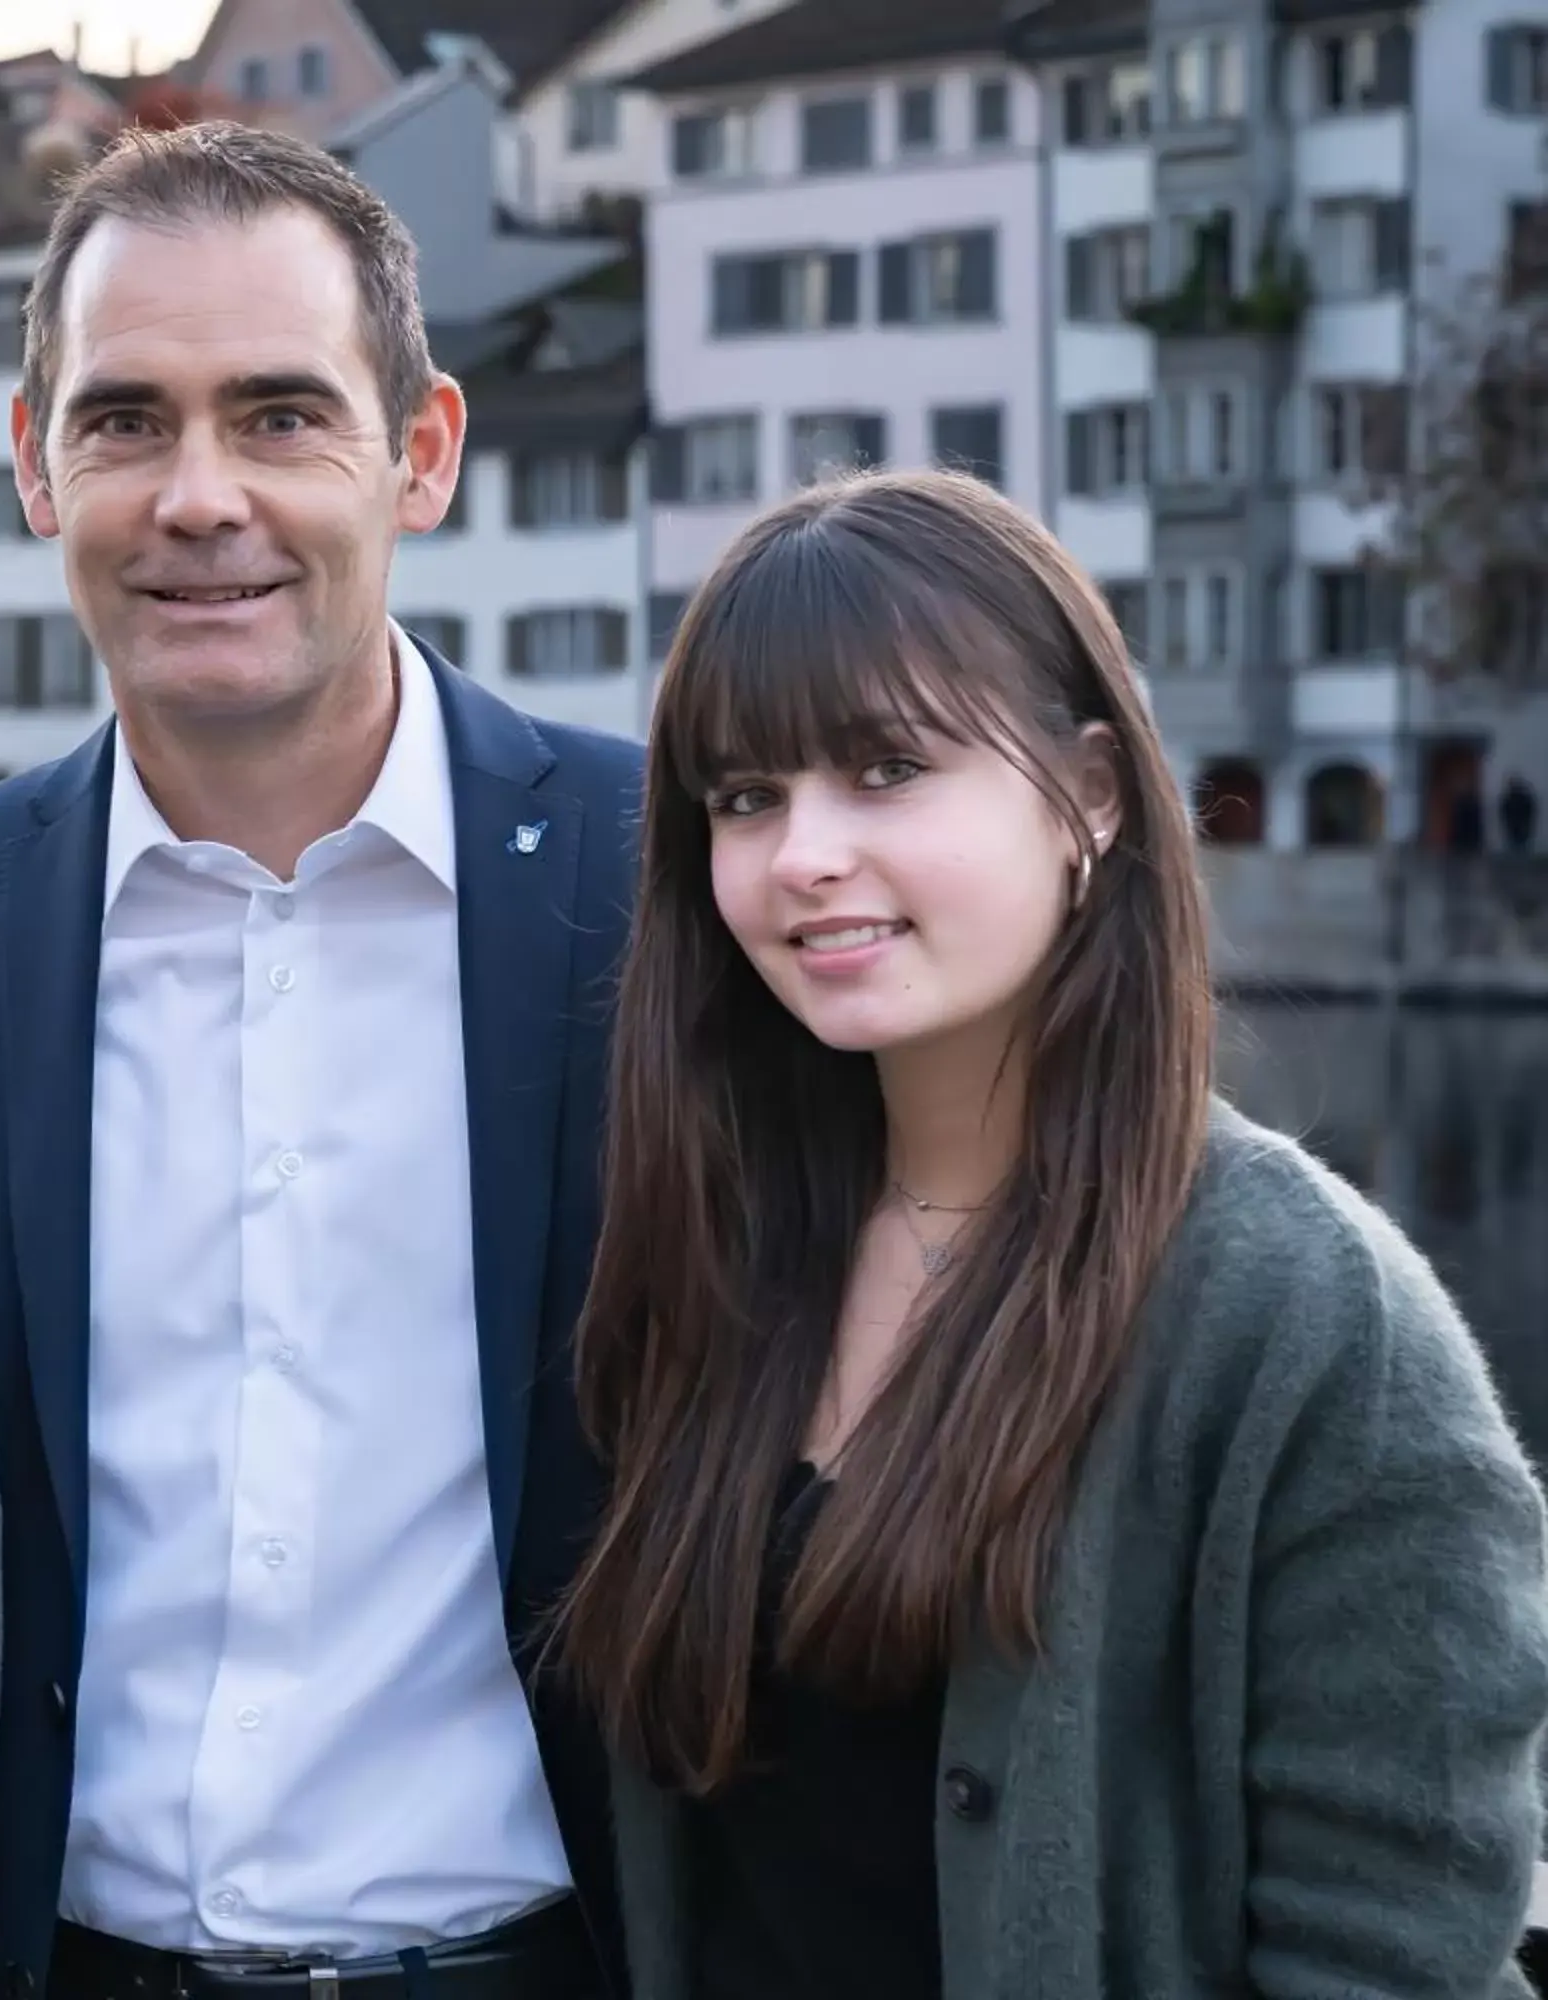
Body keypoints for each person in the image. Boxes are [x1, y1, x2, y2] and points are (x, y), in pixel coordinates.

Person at [0, 122, 641, 1997]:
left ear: (422, 452)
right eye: (127, 421)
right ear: (37, 468)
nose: (200, 494)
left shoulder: (660, 888)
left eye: (282, 415)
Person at [554, 467, 1548, 1999]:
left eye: (885, 768)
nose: (802, 851)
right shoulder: (726, 1252)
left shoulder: (1310, 1326)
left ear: (1089, 791)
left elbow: (1394, 1952)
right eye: (746, 796)